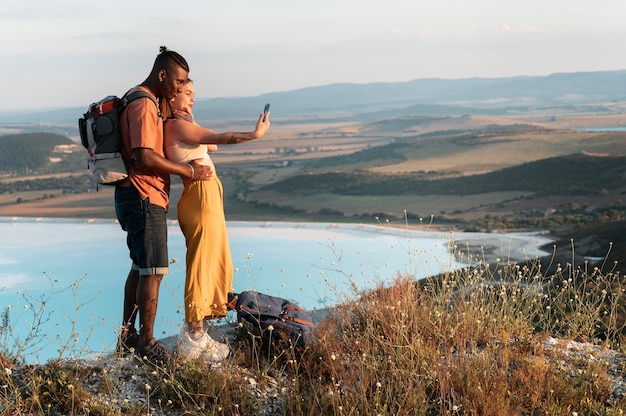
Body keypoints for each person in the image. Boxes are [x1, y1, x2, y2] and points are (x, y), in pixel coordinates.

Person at [115, 46, 213, 365]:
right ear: (162, 75)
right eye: (177, 81)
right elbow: (144, 155)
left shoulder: (142, 98)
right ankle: (147, 342)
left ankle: (127, 337)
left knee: (140, 267)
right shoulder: (144, 104)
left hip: (135, 195)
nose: (179, 88)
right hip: (145, 195)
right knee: (154, 270)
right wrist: (188, 171)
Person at [164, 79, 270, 363]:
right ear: (170, 97)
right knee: (201, 263)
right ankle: (193, 337)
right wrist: (254, 134)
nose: (192, 100)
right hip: (200, 198)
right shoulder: (174, 125)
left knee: (212, 260)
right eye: (186, 94)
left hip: (205, 197)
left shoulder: (183, 125)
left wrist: (193, 119)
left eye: (193, 95)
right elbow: (222, 139)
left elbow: (211, 146)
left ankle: (199, 334)